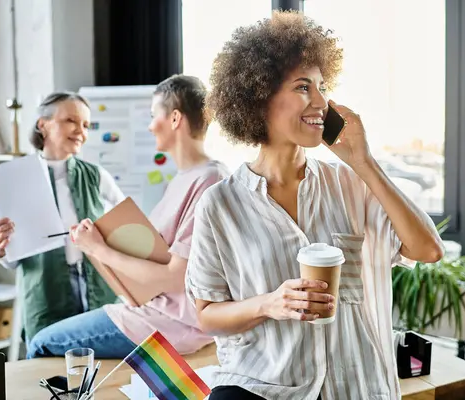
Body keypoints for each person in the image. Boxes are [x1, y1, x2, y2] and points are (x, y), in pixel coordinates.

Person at [185, 11, 444, 400]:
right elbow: (207, 315)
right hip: (263, 387)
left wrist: (364, 163)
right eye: (303, 86)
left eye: (322, 86)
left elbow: (428, 250)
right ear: (258, 97)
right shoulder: (219, 204)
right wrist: (269, 304)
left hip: (357, 388)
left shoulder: (353, 184)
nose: (321, 101)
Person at [26, 75, 229, 359]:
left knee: (39, 345)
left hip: (166, 323)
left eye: (152, 115)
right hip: (148, 310)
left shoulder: (210, 180)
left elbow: (175, 278)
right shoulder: (183, 180)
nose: (149, 125)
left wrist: (97, 248)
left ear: (173, 119)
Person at [0, 92, 125, 342]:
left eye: (85, 124)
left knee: (100, 364)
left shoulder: (95, 175)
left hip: (98, 288)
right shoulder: (16, 180)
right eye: (71, 121)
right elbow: (12, 261)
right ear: (43, 124)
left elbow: (130, 224)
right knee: (48, 371)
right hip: (45, 293)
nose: (80, 131)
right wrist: (0, 249)